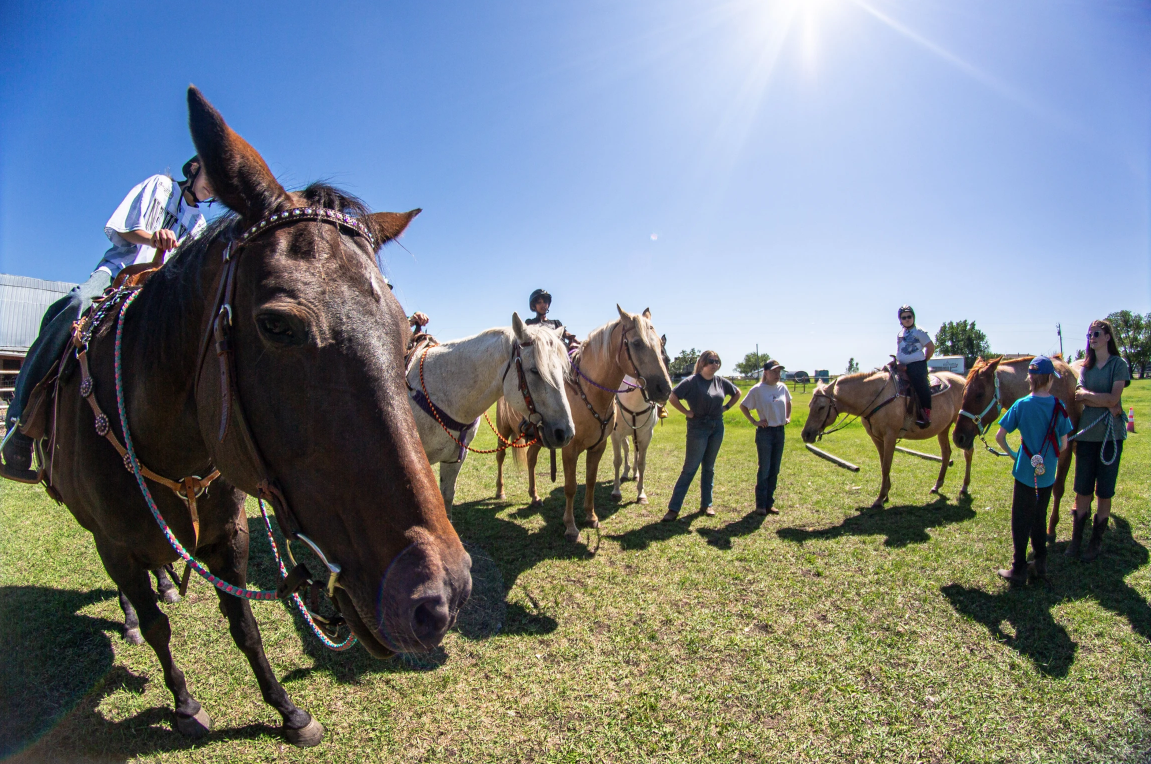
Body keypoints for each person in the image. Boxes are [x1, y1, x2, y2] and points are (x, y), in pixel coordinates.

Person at [1, 158, 214, 479]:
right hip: (118, 275)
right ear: (195, 167)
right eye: (212, 174)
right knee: (76, 303)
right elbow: (123, 228)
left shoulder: (200, 225)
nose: (214, 187)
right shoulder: (160, 186)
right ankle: (19, 423)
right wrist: (154, 239)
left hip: (156, 292)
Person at [993, 356, 1073, 585]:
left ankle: (1018, 569)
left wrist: (1014, 454)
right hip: (1047, 475)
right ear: (1050, 380)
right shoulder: (1059, 406)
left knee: (1020, 519)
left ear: (1029, 378)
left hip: (1024, 473)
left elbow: (1000, 437)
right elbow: (1064, 445)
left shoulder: (1020, 405)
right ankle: (1040, 562)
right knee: (1040, 517)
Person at [1066, 319, 1131, 561]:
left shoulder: (1118, 365)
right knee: (1082, 490)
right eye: (1089, 334)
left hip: (1110, 437)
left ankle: (1096, 542)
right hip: (1087, 437)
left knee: (1104, 492)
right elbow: (1079, 396)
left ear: (1107, 337)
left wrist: (1092, 398)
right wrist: (1104, 401)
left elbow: (1114, 399)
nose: (1091, 338)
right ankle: (1076, 541)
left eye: (1096, 334)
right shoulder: (1086, 367)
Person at [662, 350, 741, 521]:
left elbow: (737, 393)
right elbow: (672, 396)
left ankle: (707, 504)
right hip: (698, 428)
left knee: (709, 468)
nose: (715, 364)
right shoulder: (692, 381)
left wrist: (726, 407)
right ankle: (674, 509)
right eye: (711, 361)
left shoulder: (720, 381)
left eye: (717, 361)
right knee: (690, 468)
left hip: (717, 427)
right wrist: (686, 412)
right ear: (703, 363)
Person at [739, 359, 791, 515]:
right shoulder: (757, 390)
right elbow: (743, 406)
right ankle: (761, 505)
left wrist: (787, 417)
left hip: (779, 432)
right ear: (766, 373)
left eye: (779, 371)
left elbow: (788, 402)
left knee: (775, 469)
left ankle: (769, 503)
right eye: (774, 371)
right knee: (765, 469)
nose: (777, 374)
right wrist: (754, 421)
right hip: (765, 433)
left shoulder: (783, 388)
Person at [896, 305, 935, 427]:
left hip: (917, 366)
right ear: (900, 320)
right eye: (904, 317)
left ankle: (925, 413)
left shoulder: (919, 331)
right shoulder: (900, 334)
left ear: (913, 317)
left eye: (909, 316)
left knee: (920, 384)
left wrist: (924, 360)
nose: (907, 319)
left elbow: (930, 347)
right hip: (902, 365)